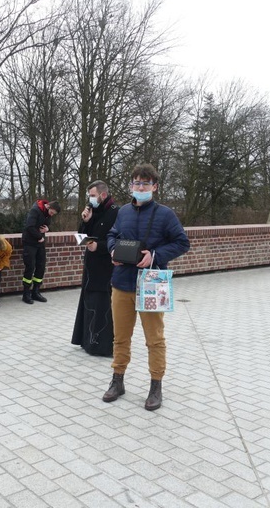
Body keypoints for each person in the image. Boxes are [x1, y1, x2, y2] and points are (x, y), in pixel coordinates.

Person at [103, 164, 190, 411]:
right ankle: (117, 381)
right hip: (121, 282)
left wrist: (153, 255)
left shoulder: (165, 214)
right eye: (136, 183)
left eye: (145, 183)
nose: (140, 187)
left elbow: (182, 243)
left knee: (155, 339)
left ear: (154, 186)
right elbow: (112, 235)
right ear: (130, 186)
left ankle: (155, 386)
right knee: (120, 337)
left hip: (151, 284)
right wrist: (112, 250)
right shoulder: (122, 213)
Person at [71, 181, 118, 356]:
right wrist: (86, 221)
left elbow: (117, 242)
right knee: (88, 303)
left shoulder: (115, 213)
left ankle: (101, 344)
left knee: (101, 306)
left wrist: (98, 246)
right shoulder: (93, 211)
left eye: (92, 195)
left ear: (103, 195)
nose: (90, 199)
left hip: (105, 267)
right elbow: (82, 235)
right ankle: (86, 340)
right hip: (90, 267)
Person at [21, 199, 60, 304]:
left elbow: (46, 225)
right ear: (48, 207)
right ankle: (26, 294)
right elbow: (29, 227)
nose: (52, 215)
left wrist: (47, 229)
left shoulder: (47, 214)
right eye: (51, 212)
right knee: (30, 267)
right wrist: (39, 236)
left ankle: (36, 292)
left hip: (40, 243)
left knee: (41, 266)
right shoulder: (35, 210)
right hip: (30, 243)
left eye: (53, 214)